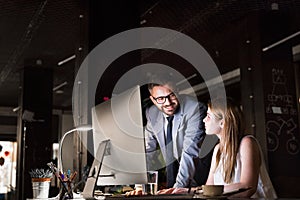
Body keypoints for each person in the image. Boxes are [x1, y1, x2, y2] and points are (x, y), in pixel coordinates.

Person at [157, 98, 277, 198]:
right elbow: (209, 188)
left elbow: (247, 188)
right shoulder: (218, 149)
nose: (204, 120)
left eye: (208, 116)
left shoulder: (247, 143)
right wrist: (185, 191)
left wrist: (195, 191)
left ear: (222, 122)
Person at [144, 77, 209, 189]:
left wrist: (178, 188)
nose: (168, 102)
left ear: (178, 91)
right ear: (153, 100)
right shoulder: (151, 113)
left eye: (172, 95)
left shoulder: (195, 109)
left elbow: (190, 151)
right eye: (160, 98)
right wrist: (142, 184)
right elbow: (148, 151)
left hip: (198, 179)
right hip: (172, 181)